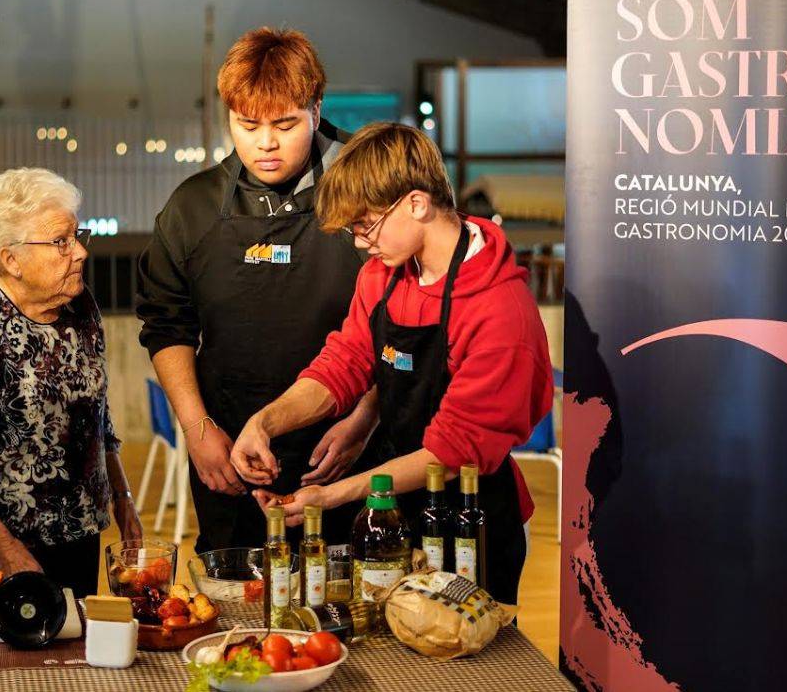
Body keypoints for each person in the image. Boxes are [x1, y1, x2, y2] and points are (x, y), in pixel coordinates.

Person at [230, 123, 553, 604]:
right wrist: (265, 422)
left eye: (366, 224)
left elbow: (451, 453)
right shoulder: (383, 276)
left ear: (417, 204)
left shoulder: (499, 311)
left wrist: (335, 495)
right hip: (395, 510)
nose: (361, 242)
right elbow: (343, 364)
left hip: (470, 521)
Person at [135, 27, 378, 552]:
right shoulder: (193, 208)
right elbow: (166, 325)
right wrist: (199, 432)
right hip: (230, 455)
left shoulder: (367, 193)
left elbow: (406, 319)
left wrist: (364, 419)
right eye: (247, 125)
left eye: (285, 124)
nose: (264, 143)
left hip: (350, 451)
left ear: (317, 108)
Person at [0, 168, 142, 598]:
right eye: (61, 241)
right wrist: (8, 554)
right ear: (11, 259)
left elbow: (98, 412)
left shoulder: (79, 304)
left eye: (76, 235)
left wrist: (122, 496)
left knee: (72, 657)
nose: (80, 252)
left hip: (79, 533)